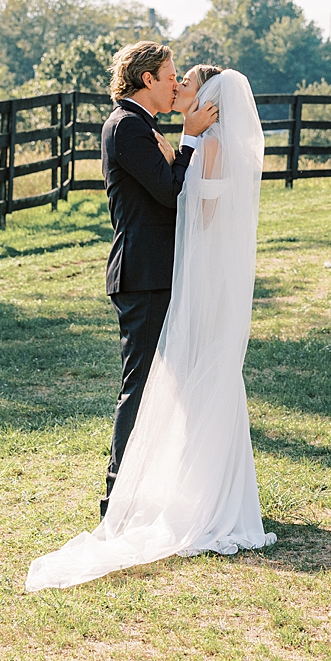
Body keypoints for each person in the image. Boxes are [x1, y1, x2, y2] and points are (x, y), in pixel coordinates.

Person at [27, 57, 276, 591]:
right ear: (146, 80)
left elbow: (188, 199)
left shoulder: (151, 129)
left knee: (180, 387)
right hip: (145, 277)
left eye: (182, 80)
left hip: (171, 277)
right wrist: (186, 142)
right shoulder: (127, 128)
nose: (174, 85)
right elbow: (170, 193)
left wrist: (185, 144)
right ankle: (120, 496)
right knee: (142, 385)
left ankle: (187, 491)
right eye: (169, 77)